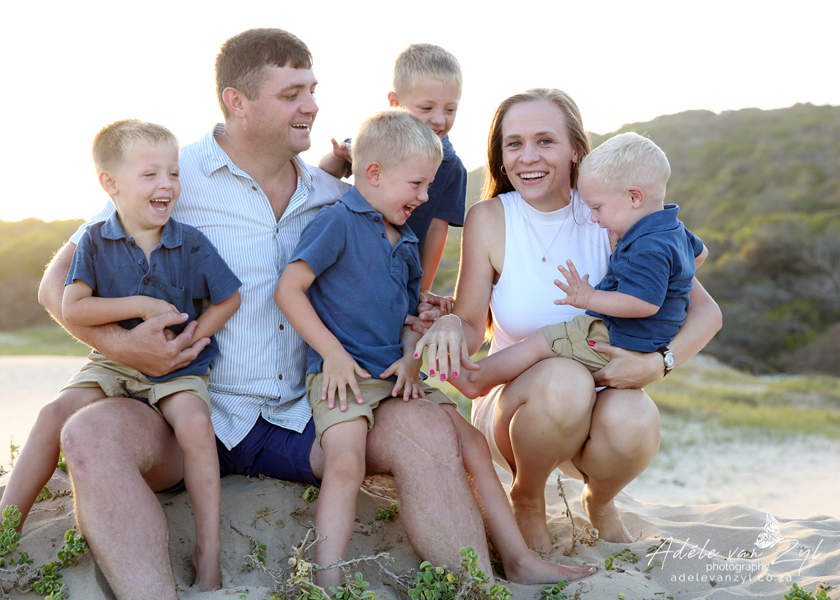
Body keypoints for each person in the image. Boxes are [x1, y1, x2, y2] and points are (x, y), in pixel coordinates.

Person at [36, 31, 581, 600]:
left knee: (427, 427)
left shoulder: (335, 197)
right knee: (90, 434)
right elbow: (57, 287)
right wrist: (124, 348)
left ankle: (478, 588)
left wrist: (426, 315)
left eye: (313, 90)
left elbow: (381, 289)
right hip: (187, 414)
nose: (312, 105)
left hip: (313, 417)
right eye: (292, 93)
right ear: (236, 101)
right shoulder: (171, 178)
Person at [276, 109, 594, 589]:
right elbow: (288, 290)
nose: (425, 197)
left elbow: (408, 319)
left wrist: (411, 356)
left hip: (397, 376)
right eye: (417, 185)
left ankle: (518, 560)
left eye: (429, 186)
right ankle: (326, 581)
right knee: (345, 463)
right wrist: (333, 354)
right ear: (373, 173)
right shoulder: (337, 222)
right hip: (343, 376)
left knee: (473, 446)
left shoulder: (406, 242)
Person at [414, 88, 722, 554]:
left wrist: (659, 363)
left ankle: (600, 500)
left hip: (598, 403)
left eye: (545, 141)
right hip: (516, 410)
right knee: (564, 377)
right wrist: (451, 325)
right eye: (514, 144)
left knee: (636, 416)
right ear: (501, 155)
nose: (527, 157)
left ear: (577, 148)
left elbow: (706, 311)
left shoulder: (610, 211)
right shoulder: (490, 218)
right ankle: (527, 497)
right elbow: (472, 325)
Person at [0, 119, 240, 590]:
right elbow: (74, 306)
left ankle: (207, 551)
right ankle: (3, 531)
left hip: (178, 365)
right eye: (150, 174)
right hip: (112, 362)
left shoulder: (190, 241)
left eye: (173, 173)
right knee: (53, 413)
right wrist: (140, 305)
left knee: (196, 425)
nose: (167, 184)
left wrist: (193, 338)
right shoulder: (94, 240)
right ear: (110, 184)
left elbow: (228, 298)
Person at [449, 132, 708, 398]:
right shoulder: (673, 229)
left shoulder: (647, 246)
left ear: (634, 198)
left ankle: (475, 379)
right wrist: (670, 280)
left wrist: (589, 297)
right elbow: (700, 255)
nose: (593, 218)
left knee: (542, 342)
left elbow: (644, 304)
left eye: (597, 208)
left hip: (618, 337)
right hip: (641, 341)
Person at [318, 43, 466, 305]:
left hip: (402, 276)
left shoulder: (451, 166)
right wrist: (338, 156)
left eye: (450, 109)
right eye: (427, 108)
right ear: (395, 103)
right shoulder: (375, 141)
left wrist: (421, 289)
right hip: (352, 263)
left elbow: (436, 231)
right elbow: (325, 175)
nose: (439, 120)